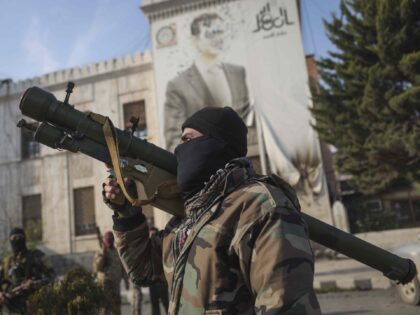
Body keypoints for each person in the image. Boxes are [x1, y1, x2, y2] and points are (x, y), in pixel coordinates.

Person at [103, 107, 321, 314]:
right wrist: (126, 212)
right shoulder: (191, 216)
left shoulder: (260, 207)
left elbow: (287, 306)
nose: (180, 150)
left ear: (217, 144)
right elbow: (145, 270)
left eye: (188, 140)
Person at [164, 12, 250, 152]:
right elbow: (174, 140)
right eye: (210, 34)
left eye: (220, 32)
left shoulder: (238, 73)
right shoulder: (178, 86)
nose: (218, 39)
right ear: (195, 40)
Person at [0, 227, 55, 315]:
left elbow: (51, 276)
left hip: (34, 305)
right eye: (13, 238)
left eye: (19, 237)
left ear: (24, 238)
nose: (16, 240)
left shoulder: (37, 257)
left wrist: (34, 284)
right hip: (11, 308)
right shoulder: (6, 262)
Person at [93, 231, 129, 315]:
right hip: (105, 284)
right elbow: (96, 268)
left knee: (117, 308)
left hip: (116, 284)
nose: (109, 241)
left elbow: (122, 267)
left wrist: (126, 281)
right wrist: (102, 254)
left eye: (111, 239)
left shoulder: (117, 251)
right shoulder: (100, 252)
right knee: (105, 308)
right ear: (104, 240)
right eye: (108, 239)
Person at [147, 227, 169, 315]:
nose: (153, 237)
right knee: (154, 305)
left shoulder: (163, 248)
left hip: (162, 281)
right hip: (152, 281)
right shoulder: (147, 249)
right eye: (151, 235)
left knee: (166, 303)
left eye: (154, 235)